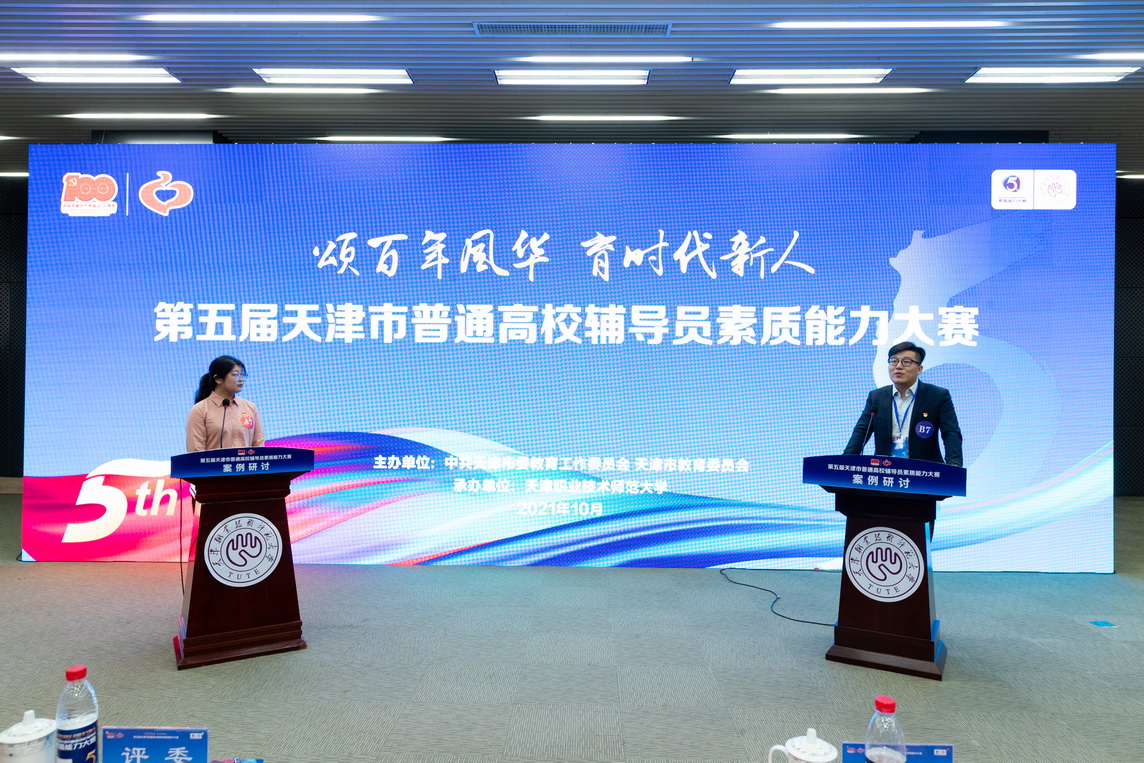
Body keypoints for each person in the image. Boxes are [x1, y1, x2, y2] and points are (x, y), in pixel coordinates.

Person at [844, 341, 962, 467]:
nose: (898, 366)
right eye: (894, 361)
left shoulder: (937, 395)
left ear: (919, 369)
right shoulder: (876, 397)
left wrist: (954, 465)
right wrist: (846, 460)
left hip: (925, 470)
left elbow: (950, 432)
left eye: (906, 362)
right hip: (884, 469)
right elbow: (861, 431)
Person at [185, 356, 265, 452]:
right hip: (214, 462)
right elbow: (196, 450)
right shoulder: (200, 410)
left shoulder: (250, 407)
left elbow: (258, 443)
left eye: (243, 375)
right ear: (218, 379)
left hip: (246, 462)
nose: (241, 379)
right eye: (235, 375)